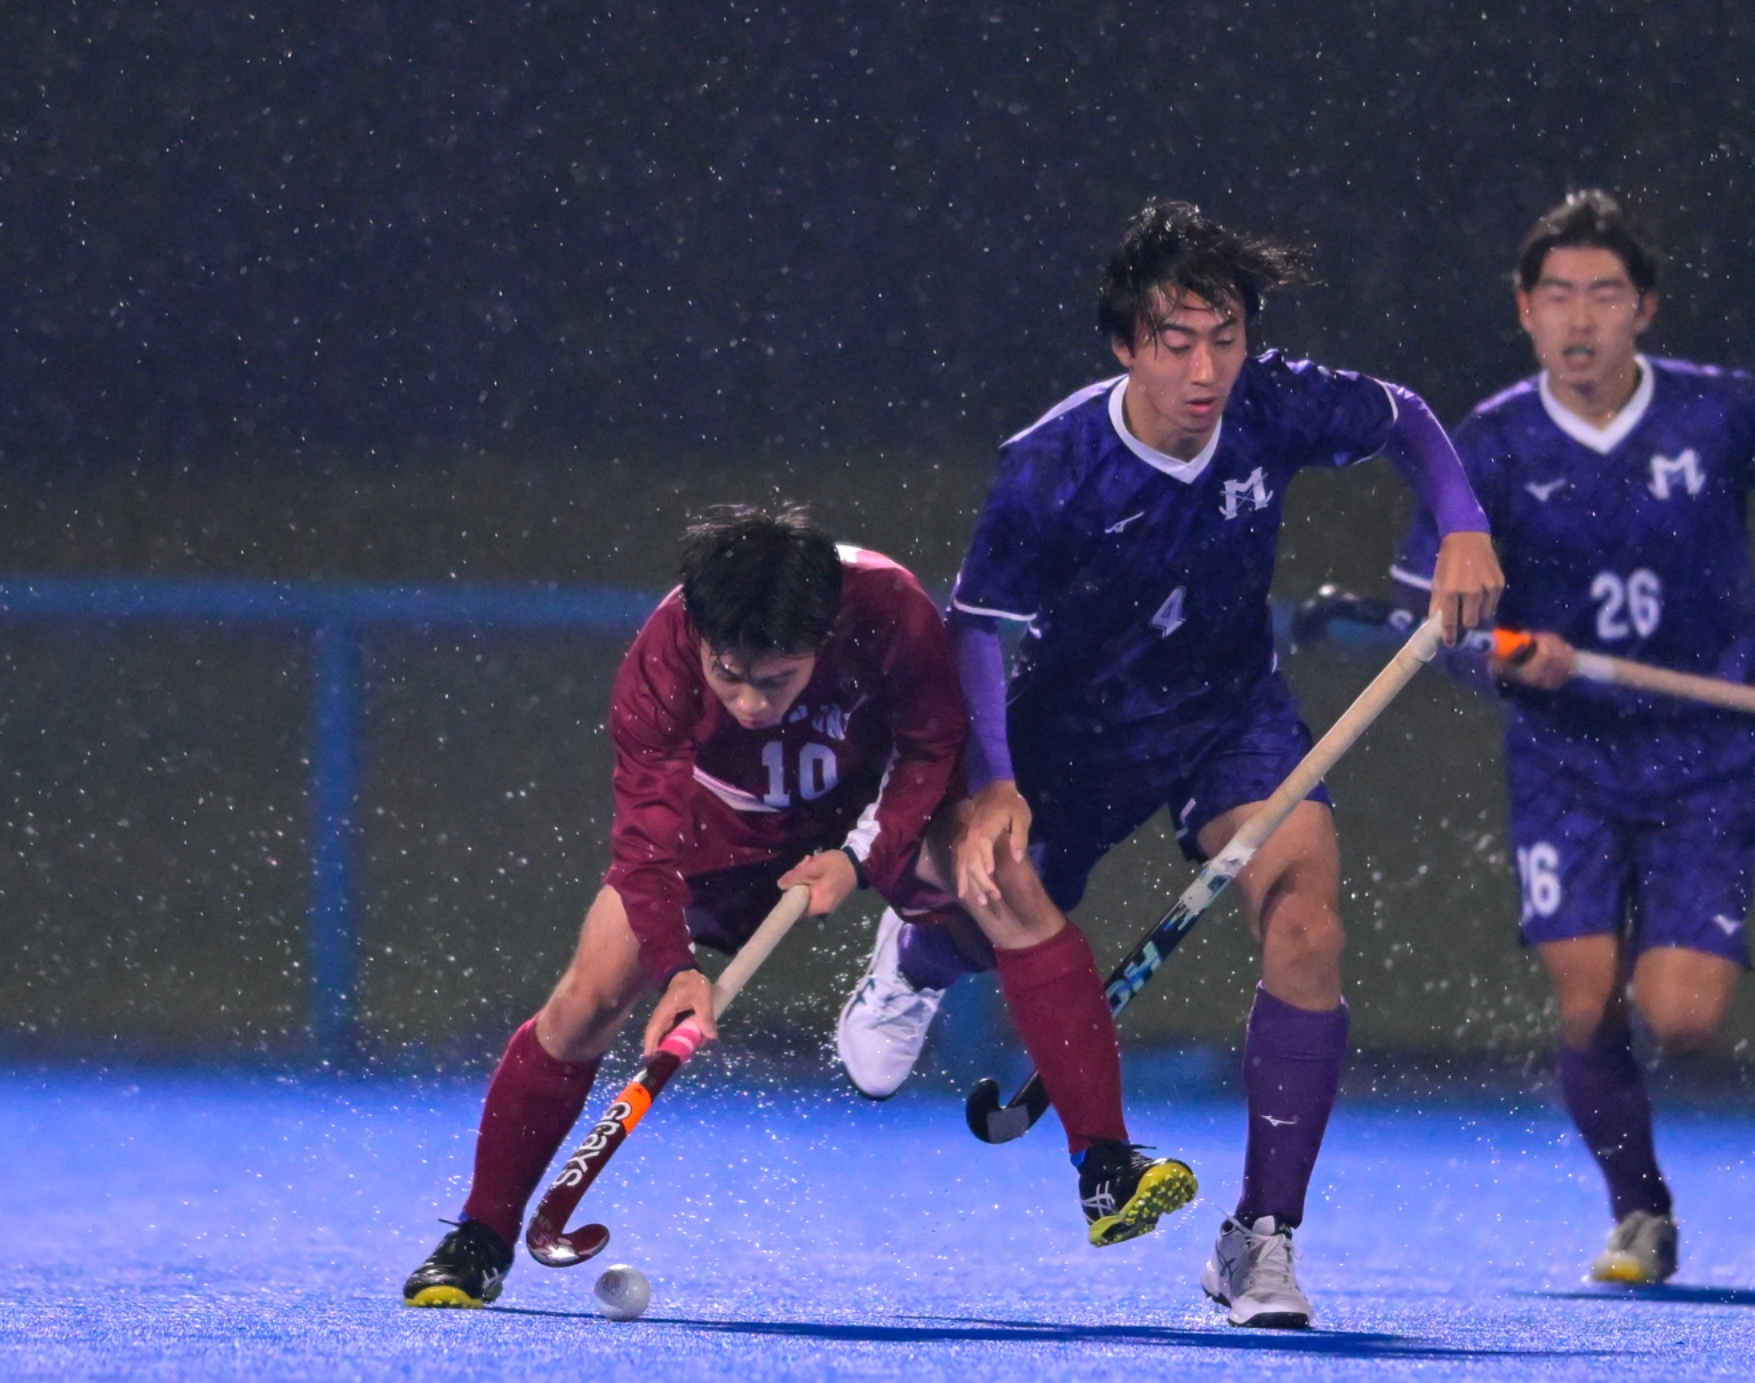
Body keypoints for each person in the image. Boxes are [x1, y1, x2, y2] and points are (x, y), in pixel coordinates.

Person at [835, 200, 1502, 1329]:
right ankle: (914, 956)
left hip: (1230, 715)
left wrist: (1462, 522)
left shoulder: (1272, 402)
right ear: (1123, 344)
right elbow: (977, 631)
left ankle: (1259, 1239)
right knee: (985, 920)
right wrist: (995, 783)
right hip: (1072, 732)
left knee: (1307, 922)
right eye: (1175, 342)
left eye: (1224, 339)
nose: (1204, 371)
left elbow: (1404, 418)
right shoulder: (1052, 464)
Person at [404, 507, 1191, 1309]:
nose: (749, 703)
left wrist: (859, 858)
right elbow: (645, 844)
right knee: (586, 1000)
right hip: (720, 827)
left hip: (870, 806)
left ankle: (1105, 1164)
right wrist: (677, 970)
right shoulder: (663, 657)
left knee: (1004, 882)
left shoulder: (888, 608)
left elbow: (930, 747)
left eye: (775, 679)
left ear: (825, 634)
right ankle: (481, 1235)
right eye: (728, 674)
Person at [1391, 190, 1755, 1284]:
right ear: (1524, 311)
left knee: (1679, 1017)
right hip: (1566, 757)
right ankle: (1640, 1209)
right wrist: (1501, 656)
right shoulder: (1490, 444)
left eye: (1604, 294)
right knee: (1588, 995)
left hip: (1709, 747)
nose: (1580, 317)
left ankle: (1660, 960)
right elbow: (1422, 606)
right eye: (1558, 296)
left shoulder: (1721, 412)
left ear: (1644, 307)